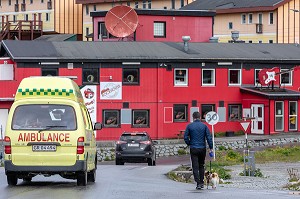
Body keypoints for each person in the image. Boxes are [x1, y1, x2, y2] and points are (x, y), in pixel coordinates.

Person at [184, 111, 213, 190]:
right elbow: (209, 138)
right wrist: (211, 148)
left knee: (195, 166)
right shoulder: (204, 126)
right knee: (201, 165)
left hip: (193, 148)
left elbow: (185, 137)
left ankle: (198, 183)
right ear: (200, 117)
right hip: (202, 148)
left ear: (193, 117)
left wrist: (189, 143)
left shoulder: (189, 126)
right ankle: (202, 181)